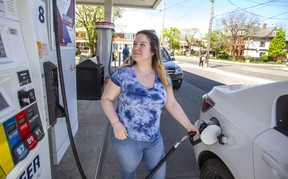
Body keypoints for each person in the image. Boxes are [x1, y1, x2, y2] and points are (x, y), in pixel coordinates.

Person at [101, 30, 200, 179]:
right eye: (135, 44)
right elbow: (106, 99)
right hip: (126, 139)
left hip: (154, 139)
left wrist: (189, 126)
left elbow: (172, 104)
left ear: (153, 50)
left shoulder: (163, 77)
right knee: (128, 173)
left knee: (158, 176)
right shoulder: (123, 75)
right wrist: (115, 123)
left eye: (142, 45)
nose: (136, 48)